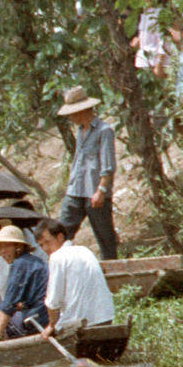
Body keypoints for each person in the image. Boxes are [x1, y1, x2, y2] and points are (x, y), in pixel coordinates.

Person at [56, 85, 118, 260]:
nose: (71, 117)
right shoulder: (79, 131)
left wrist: (102, 190)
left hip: (95, 192)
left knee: (105, 238)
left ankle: (113, 276)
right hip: (76, 190)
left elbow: (108, 164)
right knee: (60, 233)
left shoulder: (103, 130)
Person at [34, 219, 115, 337]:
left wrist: (52, 326)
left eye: (47, 242)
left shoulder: (57, 257)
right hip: (105, 316)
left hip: (80, 324)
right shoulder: (84, 250)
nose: (45, 248)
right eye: (41, 245)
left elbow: (53, 301)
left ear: (60, 237)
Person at [0, 225, 49, 343]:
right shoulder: (33, 261)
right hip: (43, 315)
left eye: (6, 246)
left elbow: (9, 303)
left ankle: (5, 341)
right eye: (0, 247)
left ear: (18, 247)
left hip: (37, 320)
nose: (2, 251)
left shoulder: (20, 264)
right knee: (3, 312)